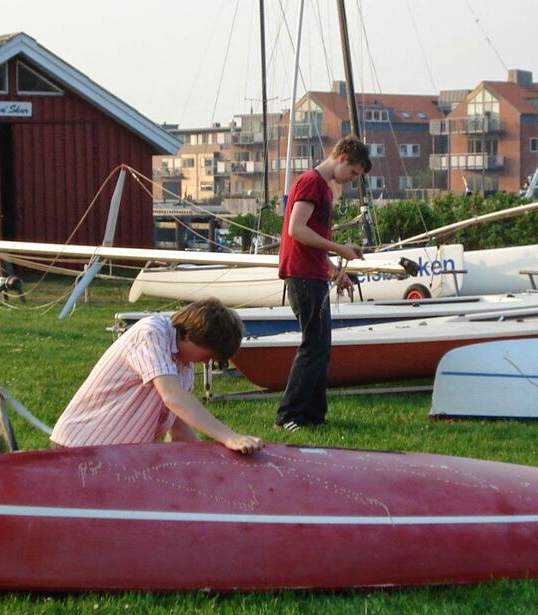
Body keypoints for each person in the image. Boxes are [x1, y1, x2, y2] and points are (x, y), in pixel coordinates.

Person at [50, 297, 263, 454]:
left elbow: (179, 429)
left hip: (119, 457)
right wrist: (229, 437)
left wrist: (211, 464)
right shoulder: (150, 334)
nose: (207, 362)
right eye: (208, 355)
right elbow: (172, 397)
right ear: (189, 336)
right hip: (80, 448)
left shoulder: (184, 363)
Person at [274, 135, 371, 431]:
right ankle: (289, 415)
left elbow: (310, 240)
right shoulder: (311, 183)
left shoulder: (323, 188)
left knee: (320, 346)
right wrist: (340, 249)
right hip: (302, 275)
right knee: (313, 346)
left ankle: (313, 414)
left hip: (312, 274)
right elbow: (297, 229)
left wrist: (333, 270)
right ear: (342, 159)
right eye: (352, 172)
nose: (351, 180)